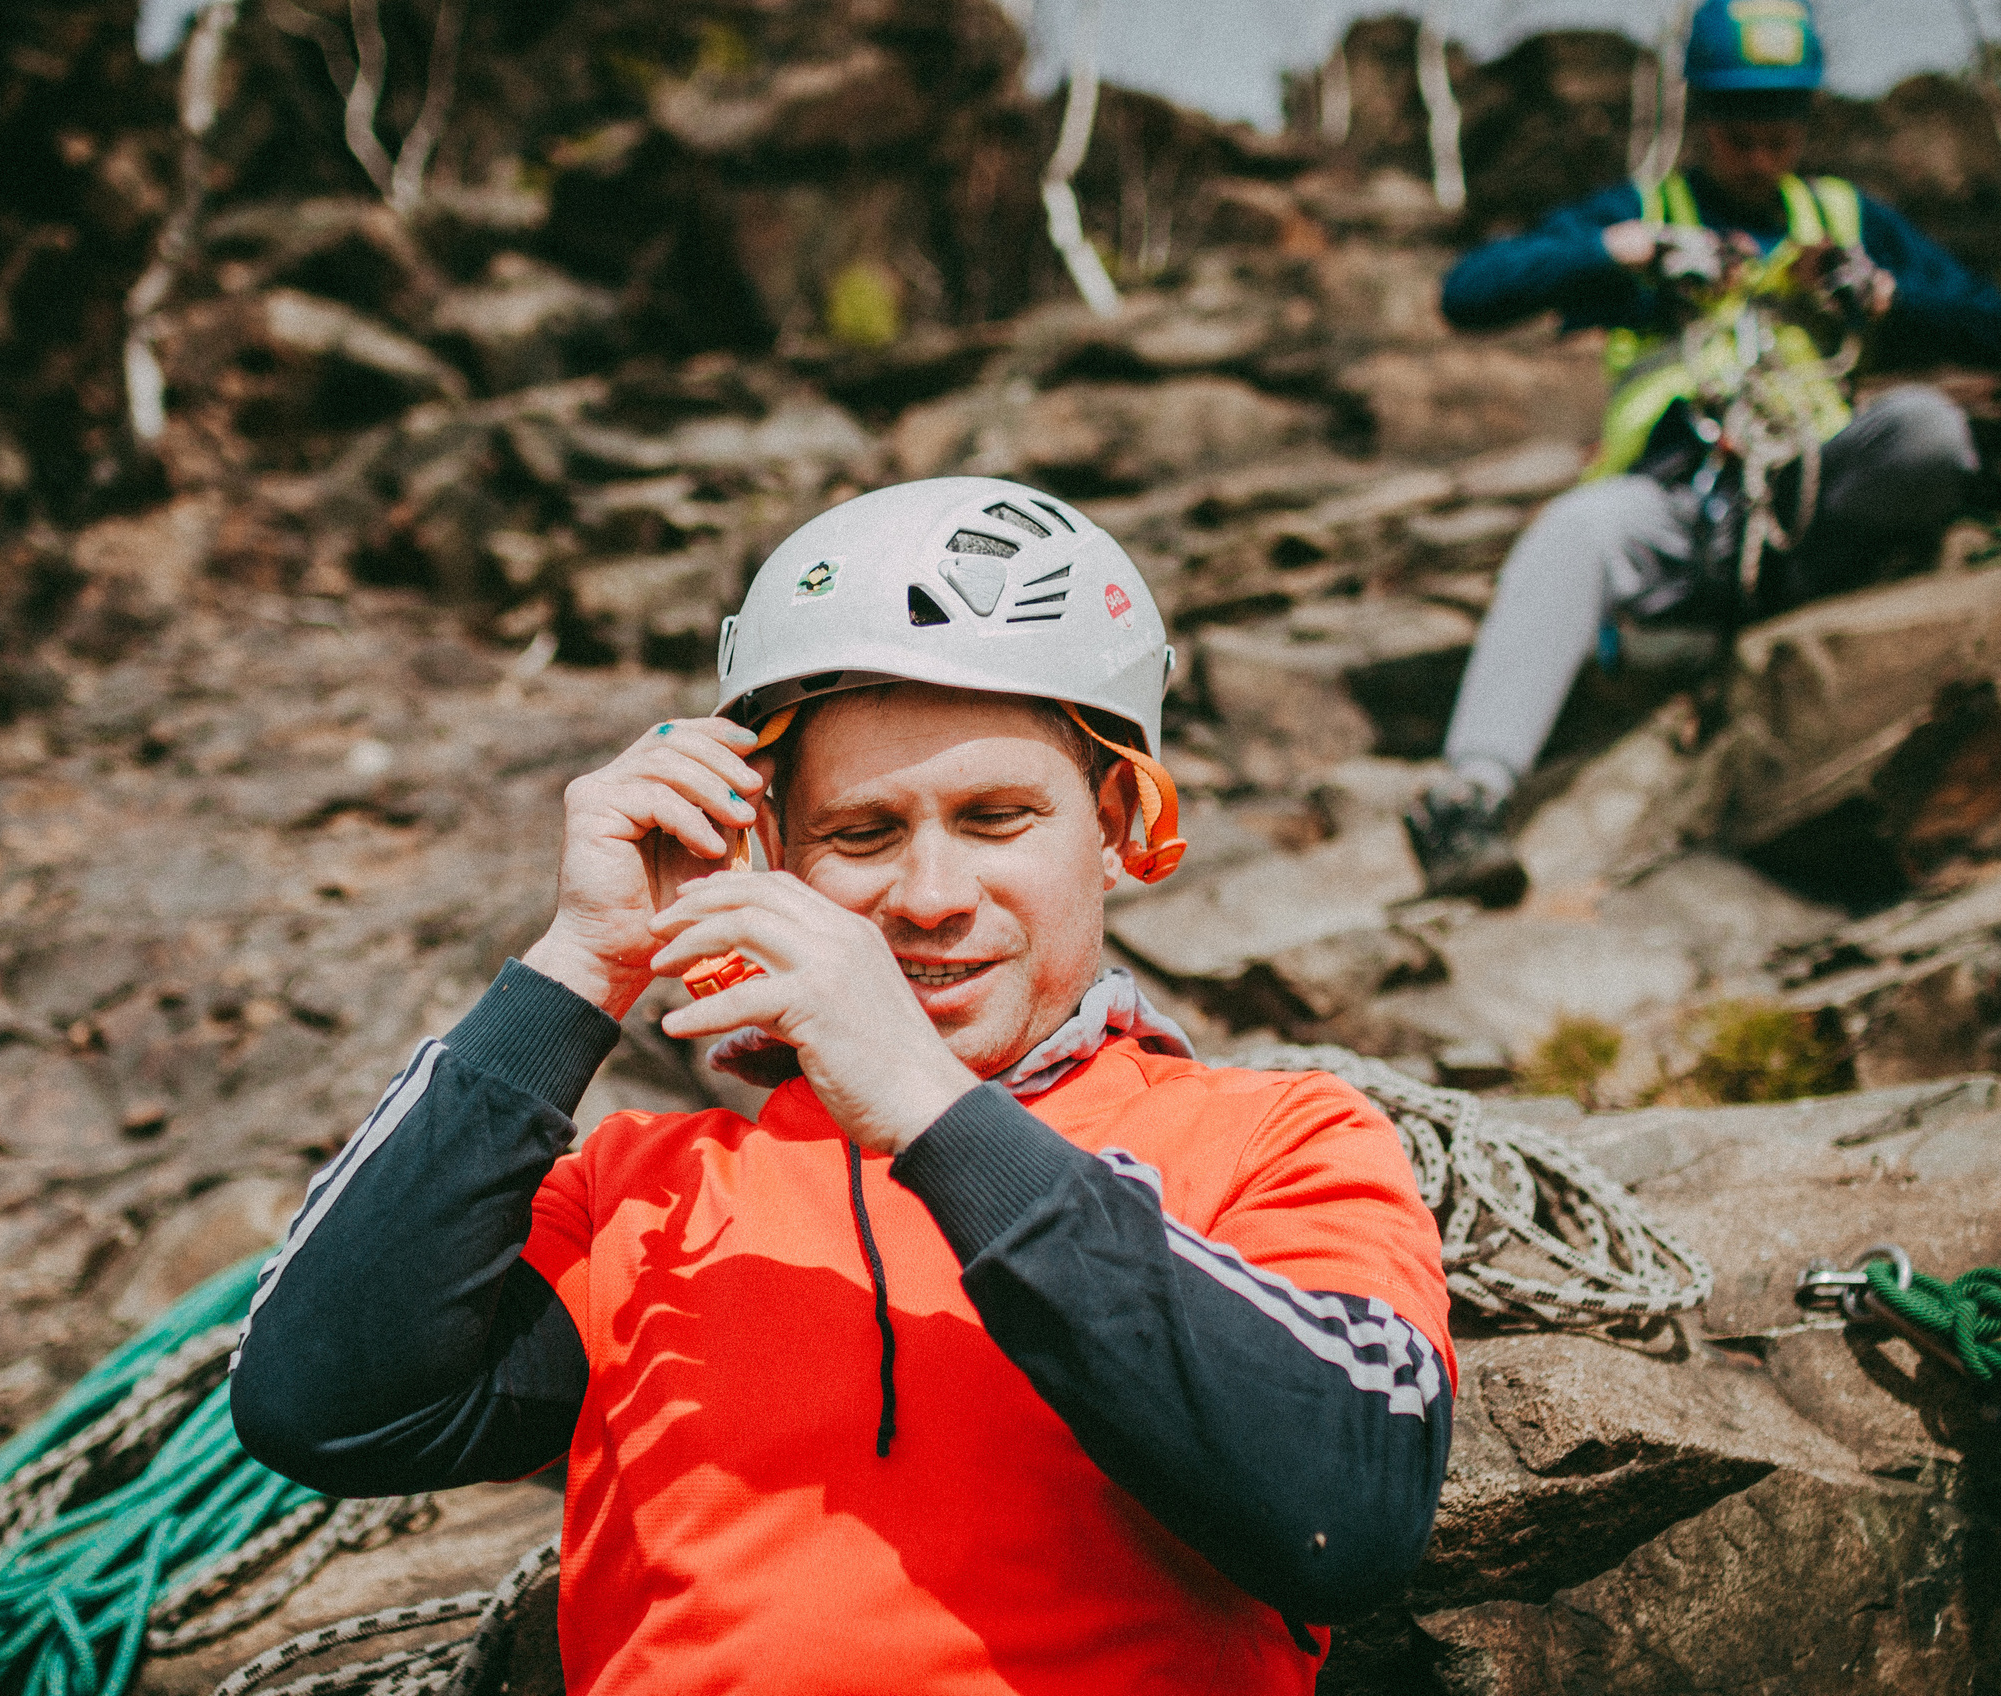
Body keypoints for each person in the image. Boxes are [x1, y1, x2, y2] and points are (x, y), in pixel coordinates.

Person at [228, 477, 1456, 1693]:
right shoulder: (643, 1193)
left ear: (1119, 822)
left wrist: (927, 1107)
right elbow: (321, 1406)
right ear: (778, 858)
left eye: (995, 818)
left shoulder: (1280, 1138)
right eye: (861, 834)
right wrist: (581, 966)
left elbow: (1347, 1508)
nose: (926, 895)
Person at [1407, 0, 2001, 907]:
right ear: (1701, 118)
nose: (1759, 156)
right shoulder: (1646, 211)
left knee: (1929, 430)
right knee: (1576, 531)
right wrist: (1623, 252)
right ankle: (1466, 800)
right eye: (1739, 134)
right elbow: (1468, 294)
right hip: (1678, 512)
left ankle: (1813, 590)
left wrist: (1888, 296)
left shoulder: (1842, 217)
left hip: (1818, 499)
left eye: (1779, 135)